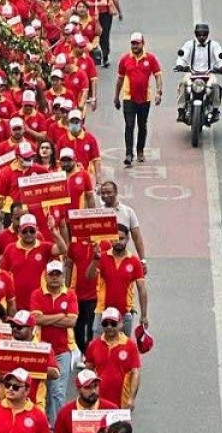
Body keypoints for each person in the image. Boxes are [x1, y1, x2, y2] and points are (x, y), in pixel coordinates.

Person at [30, 260, 77, 425]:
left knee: (58, 391)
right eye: (52, 274)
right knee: (45, 390)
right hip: (41, 350)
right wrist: (60, 315)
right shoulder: (37, 294)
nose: (55, 278)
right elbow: (35, 319)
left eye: (58, 274)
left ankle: (56, 428)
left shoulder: (70, 294)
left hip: (63, 350)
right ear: (46, 276)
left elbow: (71, 321)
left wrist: (46, 319)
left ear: (63, 276)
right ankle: (46, 424)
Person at [87, 226, 148, 336]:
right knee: (98, 349)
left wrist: (144, 315)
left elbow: (142, 289)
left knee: (122, 348)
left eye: (121, 238)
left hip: (125, 314)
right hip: (102, 311)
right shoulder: (102, 257)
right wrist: (95, 259)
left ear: (127, 239)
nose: (118, 241)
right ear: (111, 239)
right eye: (115, 238)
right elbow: (89, 277)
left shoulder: (134, 262)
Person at [0, 214, 67, 311]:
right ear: (19, 231)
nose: (28, 234)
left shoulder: (44, 247)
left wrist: (54, 232)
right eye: (25, 231)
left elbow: (62, 249)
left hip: (39, 305)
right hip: (16, 305)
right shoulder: (10, 249)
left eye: (32, 230)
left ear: (37, 230)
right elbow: (2, 275)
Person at [114, 32, 162, 167]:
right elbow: (120, 79)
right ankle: (129, 154)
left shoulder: (150, 59)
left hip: (145, 98)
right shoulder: (125, 59)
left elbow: (158, 75)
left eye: (137, 43)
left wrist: (159, 92)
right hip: (128, 97)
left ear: (142, 44)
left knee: (142, 125)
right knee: (129, 125)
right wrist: (116, 96)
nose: (134, 46)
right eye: (132, 43)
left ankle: (140, 150)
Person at [51, 369, 118, 433]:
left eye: (95, 386)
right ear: (78, 389)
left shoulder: (112, 410)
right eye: (88, 387)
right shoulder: (65, 412)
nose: (93, 391)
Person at [84, 308, 141, 409]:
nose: (109, 327)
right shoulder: (93, 345)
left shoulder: (130, 345)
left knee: (119, 425)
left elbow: (135, 373)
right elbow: (87, 371)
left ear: (121, 324)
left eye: (113, 323)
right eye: (105, 323)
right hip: (98, 402)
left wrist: (131, 398)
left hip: (122, 402)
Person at [174, 23, 222, 124]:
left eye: (204, 34)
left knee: (215, 85)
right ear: (195, 34)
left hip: (209, 73)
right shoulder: (189, 44)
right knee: (182, 84)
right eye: (199, 34)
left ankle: (215, 110)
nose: (201, 36)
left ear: (208, 34)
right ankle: (181, 110)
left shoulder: (214, 45)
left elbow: (220, 57)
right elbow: (182, 56)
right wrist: (180, 65)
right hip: (192, 73)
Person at [97, 182, 146, 265]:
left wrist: (142, 260)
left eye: (109, 192)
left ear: (116, 193)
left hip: (123, 259)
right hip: (103, 262)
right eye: (103, 193)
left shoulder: (128, 212)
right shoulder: (97, 214)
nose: (105, 195)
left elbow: (137, 238)